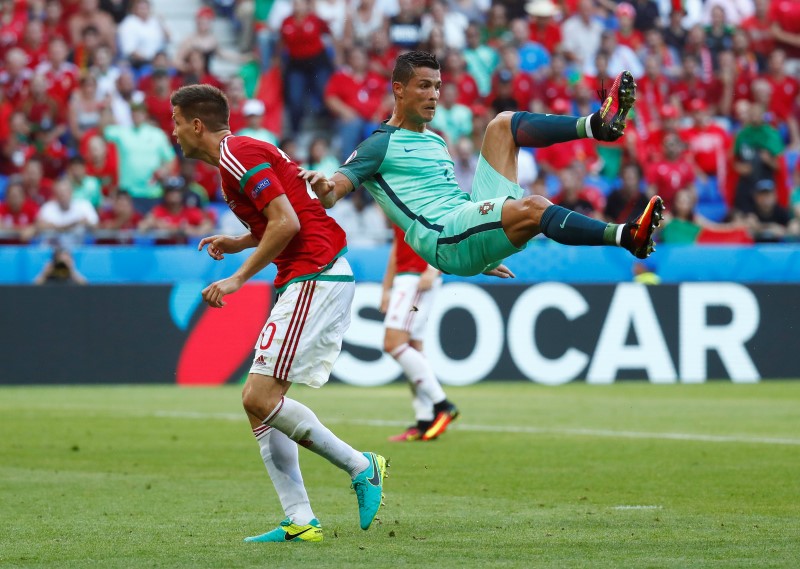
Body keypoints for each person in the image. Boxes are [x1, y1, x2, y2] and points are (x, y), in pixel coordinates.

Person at [169, 84, 386, 543]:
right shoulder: (235, 163)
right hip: (307, 274)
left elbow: (287, 223)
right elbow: (282, 216)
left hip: (316, 273)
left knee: (258, 398)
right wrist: (238, 241)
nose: (173, 133)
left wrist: (236, 277)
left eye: (174, 122)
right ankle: (301, 519)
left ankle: (361, 465)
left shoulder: (236, 155)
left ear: (196, 124)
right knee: (259, 405)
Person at [300, 51, 663, 279]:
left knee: (502, 124)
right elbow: (333, 193)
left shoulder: (435, 139)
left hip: (465, 222)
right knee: (536, 206)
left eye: (438, 86)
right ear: (398, 90)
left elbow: (449, 197)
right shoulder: (379, 144)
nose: (434, 95)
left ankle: (594, 126)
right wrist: (322, 185)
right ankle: (626, 235)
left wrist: (487, 252)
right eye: (423, 86)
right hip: (444, 239)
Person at [382, 223, 458, 442]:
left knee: (393, 344)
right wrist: (386, 288)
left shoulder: (420, 193)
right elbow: (398, 243)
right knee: (413, 349)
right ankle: (424, 421)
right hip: (405, 279)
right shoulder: (396, 198)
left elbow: (443, 230)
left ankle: (443, 405)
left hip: (417, 278)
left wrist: (433, 269)